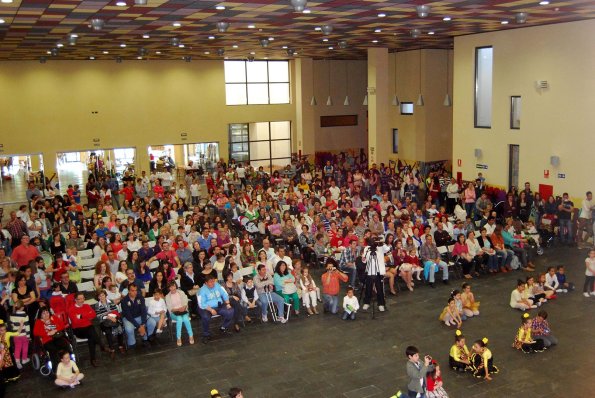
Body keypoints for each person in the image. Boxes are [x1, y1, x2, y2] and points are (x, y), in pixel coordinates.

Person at [197, 275, 234, 344]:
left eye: (213, 281)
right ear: (206, 283)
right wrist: (211, 310)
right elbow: (202, 304)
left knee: (230, 311)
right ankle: (206, 334)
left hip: (219, 306)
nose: (212, 283)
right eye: (210, 282)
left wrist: (227, 303)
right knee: (205, 317)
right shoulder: (202, 290)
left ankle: (223, 327)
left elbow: (224, 293)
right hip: (206, 308)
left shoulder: (217, 285)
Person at [68, 292, 101, 366]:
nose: (82, 300)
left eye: (83, 298)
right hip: (79, 330)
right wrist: (87, 316)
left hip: (88, 328)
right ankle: (101, 345)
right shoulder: (71, 309)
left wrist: (81, 316)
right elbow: (76, 322)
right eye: (80, 299)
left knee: (91, 336)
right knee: (91, 330)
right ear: (75, 300)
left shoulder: (86, 306)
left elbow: (93, 315)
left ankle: (93, 359)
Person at [361, 235, 391, 312]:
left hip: (378, 271)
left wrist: (382, 243)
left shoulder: (380, 247)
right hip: (369, 271)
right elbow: (364, 260)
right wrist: (363, 259)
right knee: (368, 288)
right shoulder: (367, 248)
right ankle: (367, 303)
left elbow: (388, 249)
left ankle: (381, 304)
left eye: (375, 239)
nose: (374, 241)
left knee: (379, 288)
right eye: (373, 239)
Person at [121, 284, 154, 349]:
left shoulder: (140, 297)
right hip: (129, 319)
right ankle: (132, 343)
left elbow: (143, 311)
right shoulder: (124, 301)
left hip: (139, 316)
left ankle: (146, 339)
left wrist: (143, 324)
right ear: (129, 291)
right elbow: (128, 315)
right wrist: (139, 326)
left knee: (152, 322)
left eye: (136, 290)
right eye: (133, 290)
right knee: (129, 329)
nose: (135, 292)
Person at [94, 289, 125, 356]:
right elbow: (99, 316)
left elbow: (115, 311)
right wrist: (108, 316)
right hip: (104, 322)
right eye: (100, 296)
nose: (102, 297)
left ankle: (121, 346)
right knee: (108, 332)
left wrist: (110, 316)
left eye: (103, 295)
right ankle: (112, 349)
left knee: (119, 328)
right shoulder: (96, 305)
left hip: (114, 318)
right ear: (97, 297)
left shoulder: (111, 301)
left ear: (105, 295)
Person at [165, 281, 194, 346]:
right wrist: (178, 309)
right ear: (169, 288)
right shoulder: (167, 296)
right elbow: (170, 309)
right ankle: (178, 337)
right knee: (179, 319)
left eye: (174, 286)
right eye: (171, 287)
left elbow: (185, 302)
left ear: (176, 286)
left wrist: (183, 307)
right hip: (174, 312)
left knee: (186, 319)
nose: (173, 288)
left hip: (183, 310)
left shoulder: (181, 292)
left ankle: (191, 335)